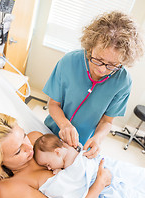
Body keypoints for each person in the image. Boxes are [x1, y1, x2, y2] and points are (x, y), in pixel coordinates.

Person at [0, 113, 145, 198]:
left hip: (104, 187)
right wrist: (100, 182)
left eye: (23, 136)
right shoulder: (11, 189)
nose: (29, 148)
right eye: (18, 152)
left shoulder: (35, 140)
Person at [43, 11, 144, 159]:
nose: (102, 69)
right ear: (90, 47)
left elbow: (107, 121)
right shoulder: (69, 62)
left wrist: (97, 139)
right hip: (51, 132)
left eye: (112, 65)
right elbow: (53, 104)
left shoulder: (123, 82)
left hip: (81, 144)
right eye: (98, 59)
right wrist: (65, 125)